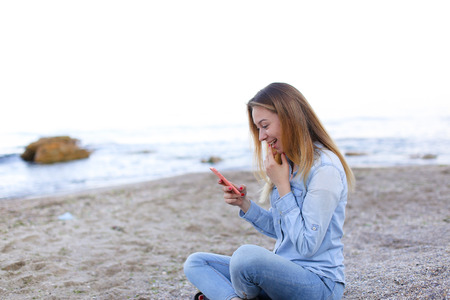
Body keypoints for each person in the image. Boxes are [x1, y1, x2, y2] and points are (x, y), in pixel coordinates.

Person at [184, 82, 355, 300]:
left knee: (246, 257)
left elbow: (306, 245)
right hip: (283, 274)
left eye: (265, 125)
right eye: (258, 128)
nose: (262, 136)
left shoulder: (324, 169)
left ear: (289, 118)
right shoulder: (288, 164)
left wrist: (283, 186)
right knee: (197, 262)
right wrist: (244, 204)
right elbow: (282, 231)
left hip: (319, 285)